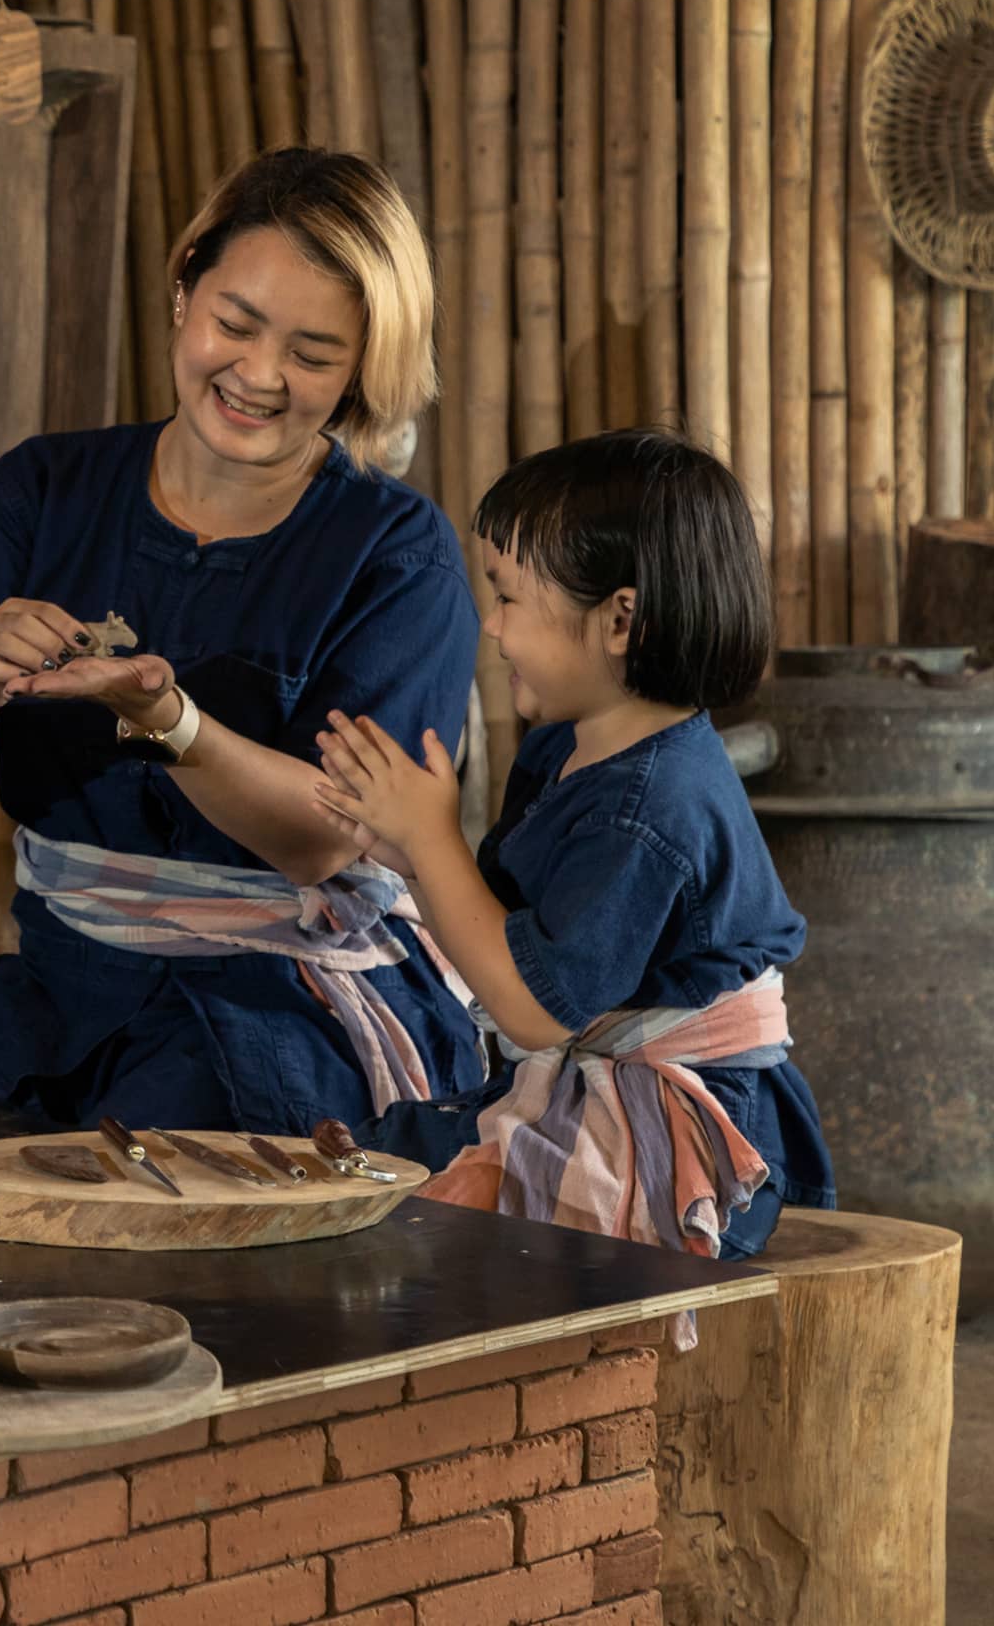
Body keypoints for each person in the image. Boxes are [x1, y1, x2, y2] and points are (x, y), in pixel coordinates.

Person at [0, 147, 486, 1134]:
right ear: (188, 282)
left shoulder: (396, 554)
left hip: (282, 1002)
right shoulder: (42, 490)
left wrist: (168, 723)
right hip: (59, 987)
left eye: (314, 355)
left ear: (365, 366)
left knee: (134, 1213)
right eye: (236, 324)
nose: (259, 375)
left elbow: (324, 839)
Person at [317, 428, 835, 1270]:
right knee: (368, 1157)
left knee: (411, 1232)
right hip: (590, 1076)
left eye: (509, 598)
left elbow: (531, 1010)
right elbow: (505, 923)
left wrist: (432, 833)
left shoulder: (649, 807)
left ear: (619, 620)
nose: (490, 627)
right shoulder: (565, 747)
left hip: (687, 1127)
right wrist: (405, 849)